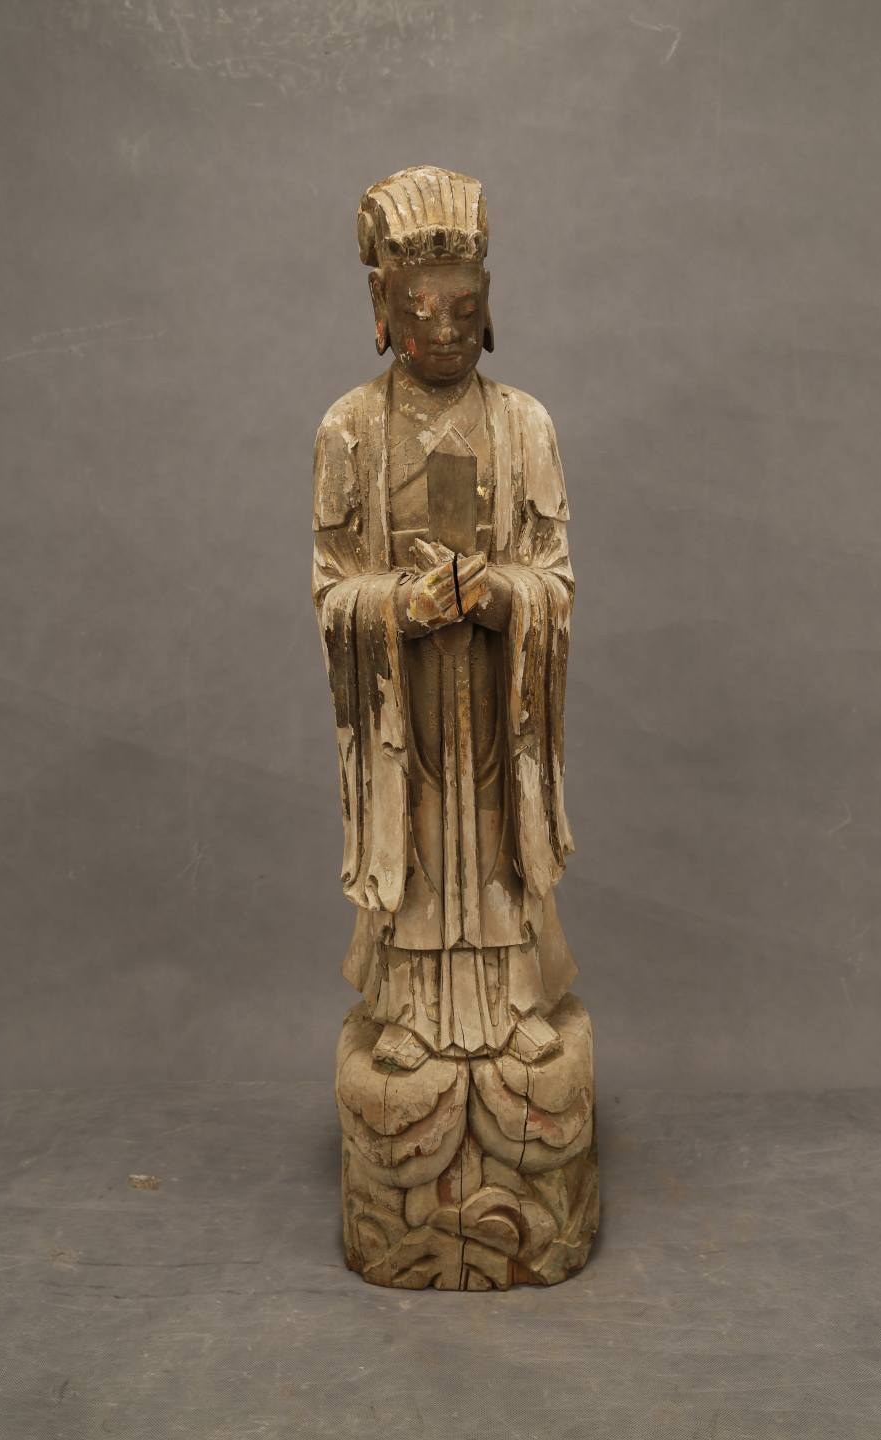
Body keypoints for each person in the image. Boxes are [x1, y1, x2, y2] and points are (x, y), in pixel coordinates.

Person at [313, 166, 576, 1072]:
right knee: (418, 838)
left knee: (498, 837)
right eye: (419, 313)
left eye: (464, 311)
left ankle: (514, 996)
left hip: (499, 693)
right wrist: (398, 605)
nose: (445, 332)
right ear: (381, 307)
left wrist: (503, 597)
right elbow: (332, 590)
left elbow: (554, 579)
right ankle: (409, 1006)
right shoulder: (350, 430)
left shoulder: (525, 426)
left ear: (488, 301)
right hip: (408, 697)